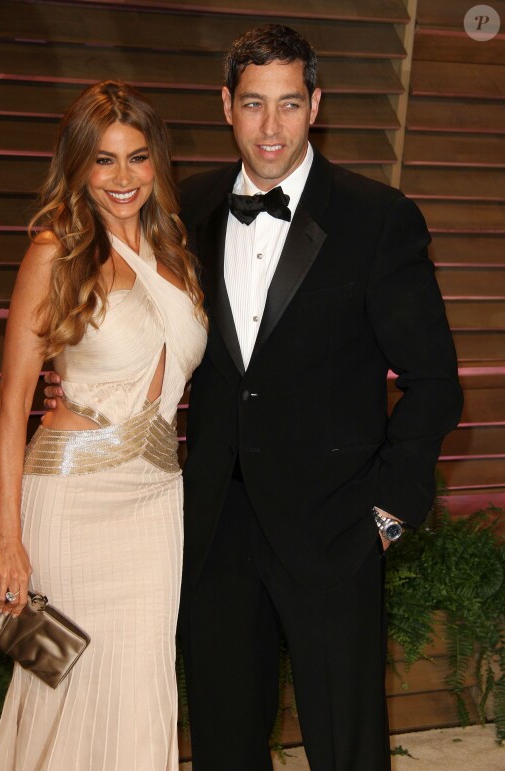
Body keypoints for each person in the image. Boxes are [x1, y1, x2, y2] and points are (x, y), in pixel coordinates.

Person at [45, 24, 463, 771]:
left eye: (290, 103)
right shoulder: (182, 207)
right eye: (253, 104)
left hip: (336, 525)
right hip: (215, 530)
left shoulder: (377, 217)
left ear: (316, 106)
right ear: (226, 106)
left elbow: (434, 383)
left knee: (347, 746)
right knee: (224, 744)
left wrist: (388, 514)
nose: (271, 126)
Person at [0, 80, 207, 770]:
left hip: (155, 500)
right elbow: (11, 402)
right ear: (78, 165)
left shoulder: (176, 255)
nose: (122, 177)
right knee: (67, 685)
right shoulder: (55, 252)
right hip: (72, 496)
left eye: (137, 157)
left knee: (141, 683)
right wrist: (8, 538)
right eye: (103, 159)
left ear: (156, 161)